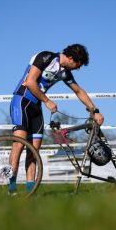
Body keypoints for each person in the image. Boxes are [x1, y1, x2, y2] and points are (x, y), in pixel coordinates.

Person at [8, 43, 104, 194]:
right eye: (78, 65)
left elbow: (79, 91)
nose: (77, 69)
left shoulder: (65, 73)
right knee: (19, 144)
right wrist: (47, 101)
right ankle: (11, 189)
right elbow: (30, 82)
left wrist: (95, 110)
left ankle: (30, 193)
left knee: (34, 151)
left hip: (36, 106)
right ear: (71, 59)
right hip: (22, 101)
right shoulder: (46, 57)